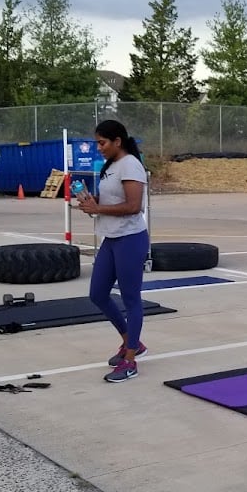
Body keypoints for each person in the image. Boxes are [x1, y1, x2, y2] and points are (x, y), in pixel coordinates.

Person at [78, 120, 150, 383]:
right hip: (111, 237)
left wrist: (98, 210)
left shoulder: (131, 163)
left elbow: (133, 206)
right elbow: (110, 200)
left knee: (131, 300)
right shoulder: (110, 166)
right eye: (97, 142)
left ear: (117, 141)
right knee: (97, 293)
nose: (99, 148)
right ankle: (132, 342)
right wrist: (93, 202)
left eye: (102, 142)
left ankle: (130, 361)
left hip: (130, 239)